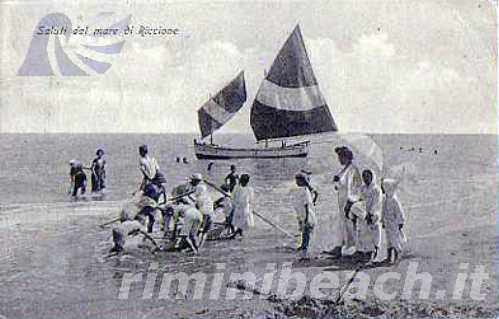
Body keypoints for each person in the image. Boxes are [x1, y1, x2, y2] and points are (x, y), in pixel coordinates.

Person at [331, 146, 362, 257]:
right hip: (342, 201)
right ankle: (339, 246)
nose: (339, 160)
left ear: (346, 157)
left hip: (349, 201)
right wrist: (337, 181)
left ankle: (357, 248)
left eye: (340, 157)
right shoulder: (344, 169)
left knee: (351, 224)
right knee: (342, 224)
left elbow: (356, 187)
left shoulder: (353, 169)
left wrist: (351, 201)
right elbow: (340, 185)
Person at [358, 169, 383, 262]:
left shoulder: (376, 190)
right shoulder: (363, 189)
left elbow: (377, 203)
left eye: (367, 177)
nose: (365, 179)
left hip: (373, 215)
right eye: (364, 177)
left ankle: (374, 249)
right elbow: (360, 200)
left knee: (374, 233)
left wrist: (371, 213)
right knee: (364, 233)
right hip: (364, 213)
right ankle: (366, 251)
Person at [381, 178, 407, 264]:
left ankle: (396, 257)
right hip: (388, 223)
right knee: (389, 241)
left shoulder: (394, 200)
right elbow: (383, 210)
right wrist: (383, 221)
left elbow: (399, 212)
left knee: (394, 240)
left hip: (394, 223)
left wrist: (400, 222)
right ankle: (389, 257)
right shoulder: (385, 199)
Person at [294, 172, 316, 259]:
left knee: (306, 232)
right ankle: (303, 245)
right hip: (304, 214)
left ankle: (305, 247)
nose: (296, 182)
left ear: (302, 181)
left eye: (297, 180)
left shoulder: (304, 191)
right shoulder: (304, 189)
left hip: (307, 214)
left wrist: (306, 217)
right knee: (304, 231)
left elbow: (306, 205)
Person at [188, 173, 213, 248]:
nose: (191, 182)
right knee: (205, 232)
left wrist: (189, 196)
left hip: (203, 214)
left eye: (192, 181)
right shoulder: (205, 192)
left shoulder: (198, 194)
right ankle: (200, 247)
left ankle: (195, 247)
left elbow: (196, 206)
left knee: (198, 231)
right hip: (210, 213)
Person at [229, 174, 254, 239]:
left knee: (242, 224)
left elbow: (251, 200)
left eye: (245, 181)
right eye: (242, 181)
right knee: (239, 223)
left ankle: (235, 235)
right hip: (238, 208)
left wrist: (251, 208)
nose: (243, 182)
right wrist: (234, 205)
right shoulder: (236, 188)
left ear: (247, 182)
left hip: (245, 209)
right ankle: (239, 235)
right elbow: (232, 197)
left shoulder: (250, 189)